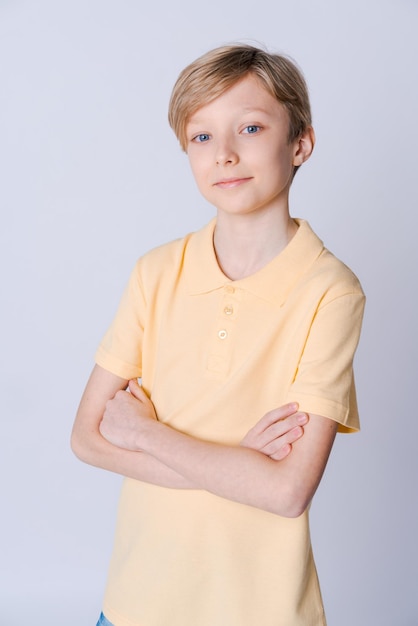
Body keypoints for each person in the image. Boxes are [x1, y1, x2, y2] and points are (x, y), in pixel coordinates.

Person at [71, 43, 365, 626]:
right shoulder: (156, 272)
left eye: (250, 127)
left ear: (300, 143)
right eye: (202, 137)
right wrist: (237, 465)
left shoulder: (330, 291)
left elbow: (286, 492)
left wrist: (145, 434)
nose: (224, 155)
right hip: (137, 602)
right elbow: (87, 438)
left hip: (262, 608)